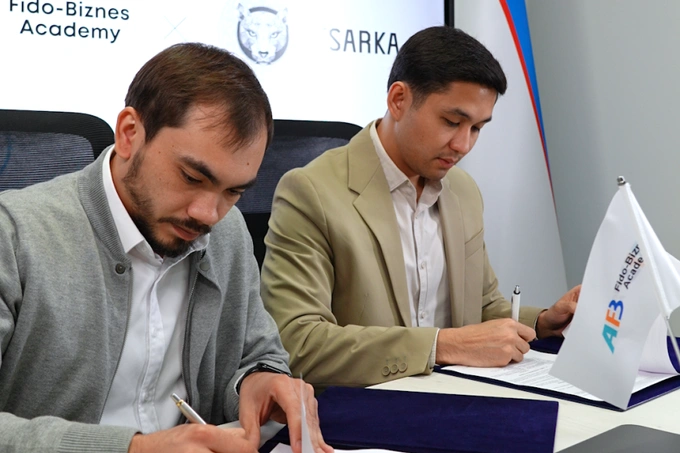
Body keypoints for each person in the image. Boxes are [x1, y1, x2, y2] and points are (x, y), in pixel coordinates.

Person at [0, 43, 331, 453]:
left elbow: (257, 352)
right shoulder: (13, 235)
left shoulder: (227, 233)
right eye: (191, 177)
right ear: (129, 134)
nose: (208, 213)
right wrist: (135, 448)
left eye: (233, 192)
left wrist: (259, 380)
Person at [260, 26, 581, 390]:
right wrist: (442, 345)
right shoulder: (311, 192)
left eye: (476, 128)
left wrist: (542, 322)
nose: (463, 145)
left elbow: (482, 309)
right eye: (452, 122)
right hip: (364, 410)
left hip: (457, 398)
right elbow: (298, 344)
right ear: (398, 100)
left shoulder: (463, 191)